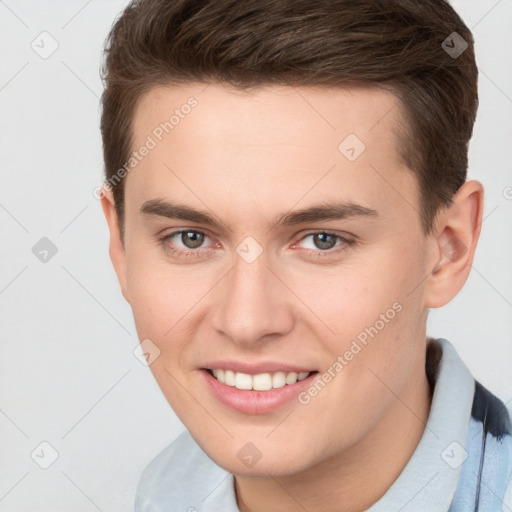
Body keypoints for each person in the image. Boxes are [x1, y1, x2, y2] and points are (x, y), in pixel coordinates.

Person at [98, 0, 512, 510]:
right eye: (190, 238)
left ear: (450, 248)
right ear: (120, 246)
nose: (247, 321)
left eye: (323, 240)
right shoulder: (163, 491)